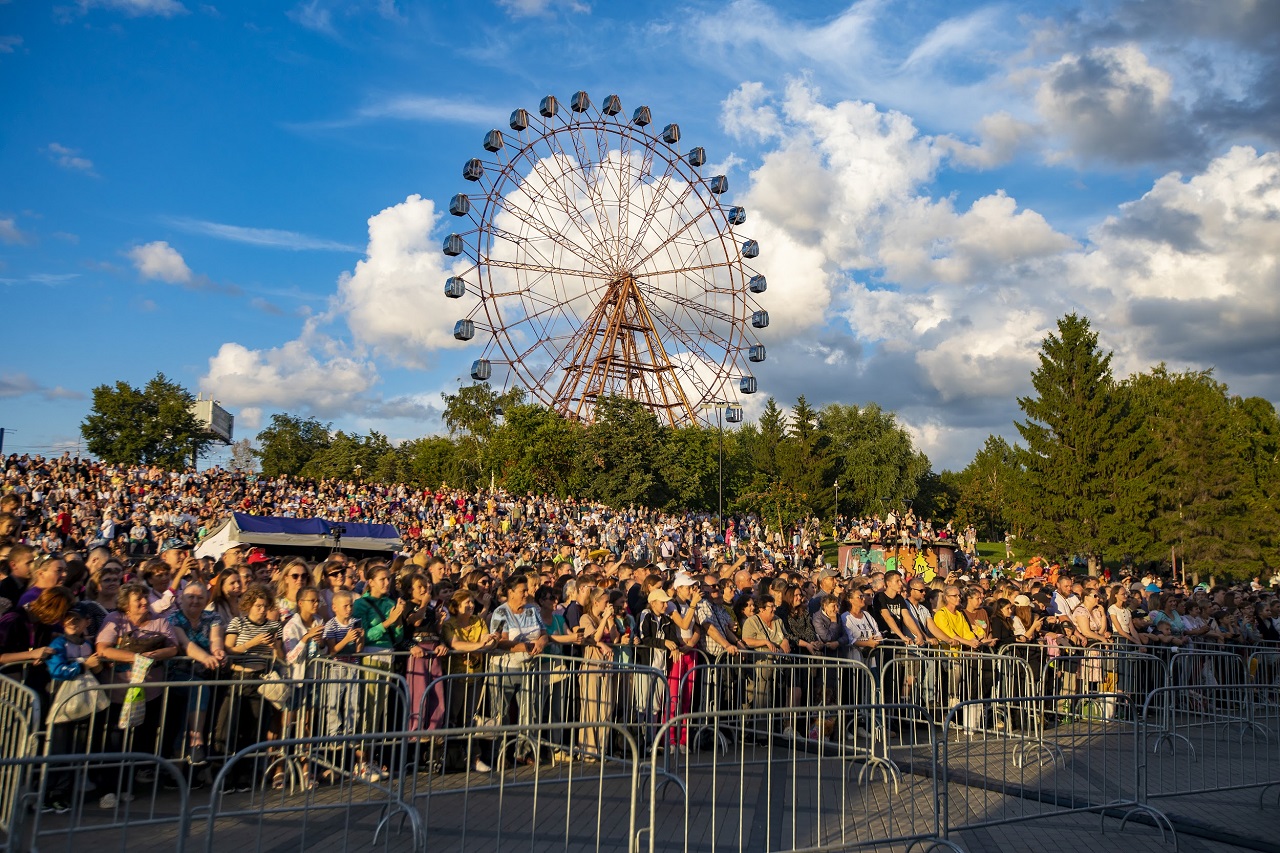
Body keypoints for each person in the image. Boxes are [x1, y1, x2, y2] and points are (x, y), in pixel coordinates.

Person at [95, 582, 180, 807]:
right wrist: (136, 658)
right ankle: (109, 789)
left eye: (145, 599)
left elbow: (173, 648)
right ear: (126, 605)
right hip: (119, 693)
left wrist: (154, 653)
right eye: (138, 601)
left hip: (150, 692)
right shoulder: (115, 619)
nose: (144, 603)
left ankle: (127, 785)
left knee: (140, 739)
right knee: (115, 741)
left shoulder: (159, 620)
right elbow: (103, 648)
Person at [167, 580, 224, 765]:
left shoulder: (213, 618)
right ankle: (196, 739)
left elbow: (215, 639)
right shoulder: (173, 618)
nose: (195, 601)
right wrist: (205, 657)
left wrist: (217, 652)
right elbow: (185, 644)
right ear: (182, 598)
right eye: (190, 597)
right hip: (177, 673)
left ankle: (182, 765)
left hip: (203, 673)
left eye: (200, 597)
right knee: (200, 690)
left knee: (196, 699)